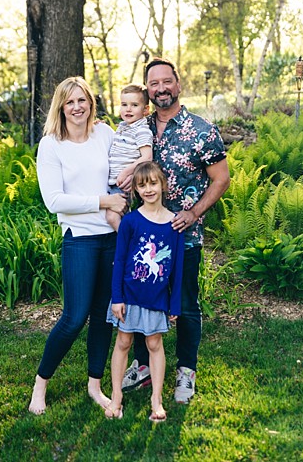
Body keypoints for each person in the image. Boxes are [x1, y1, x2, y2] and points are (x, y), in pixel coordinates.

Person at [120, 57, 230, 404]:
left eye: (167, 82)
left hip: (184, 236)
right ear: (147, 89)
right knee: (140, 298)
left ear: (178, 84)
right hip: (143, 237)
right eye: (154, 84)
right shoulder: (138, 127)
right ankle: (142, 364)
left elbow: (221, 178)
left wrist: (195, 212)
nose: (161, 89)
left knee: (184, 303)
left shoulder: (202, 130)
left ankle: (185, 371)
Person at [28, 77, 128, 414]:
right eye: (70, 102)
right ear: (61, 106)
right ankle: (40, 384)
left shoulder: (105, 134)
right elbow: (55, 200)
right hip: (80, 240)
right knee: (73, 317)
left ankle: (94, 386)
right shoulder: (51, 145)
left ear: (90, 103)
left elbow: (124, 168)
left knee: (103, 317)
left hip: (112, 238)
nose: (77, 107)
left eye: (82, 100)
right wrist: (104, 201)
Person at [105, 161, 184, 422]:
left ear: (163, 184)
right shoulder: (130, 222)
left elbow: (177, 269)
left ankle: (156, 399)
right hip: (129, 295)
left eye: (153, 183)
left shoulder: (174, 225)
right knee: (124, 342)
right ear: (136, 191)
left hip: (156, 297)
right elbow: (119, 262)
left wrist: (174, 305)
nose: (148, 189)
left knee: (154, 343)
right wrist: (117, 297)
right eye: (142, 185)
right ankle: (116, 397)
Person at [105, 84, 153, 231]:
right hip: (114, 184)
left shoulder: (141, 130)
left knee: (112, 217)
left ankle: (129, 243)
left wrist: (127, 172)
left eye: (134, 105)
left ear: (145, 110)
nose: (128, 109)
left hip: (124, 184)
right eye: (124, 104)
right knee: (122, 217)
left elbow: (147, 157)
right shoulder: (123, 127)